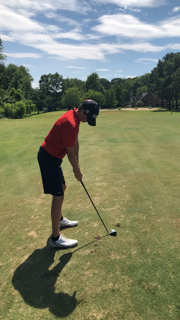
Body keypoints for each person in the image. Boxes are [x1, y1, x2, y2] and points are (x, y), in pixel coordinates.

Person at [37, 99, 99, 248]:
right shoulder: (70, 123)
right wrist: (77, 171)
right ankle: (55, 238)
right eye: (88, 118)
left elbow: (75, 143)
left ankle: (60, 220)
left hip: (54, 159)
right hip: (48, 159)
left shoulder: (75, 117)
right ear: (83, 111)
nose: (87, 121)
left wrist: (77, 166)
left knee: (62, 187)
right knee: (58, 195)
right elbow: (70, 153)